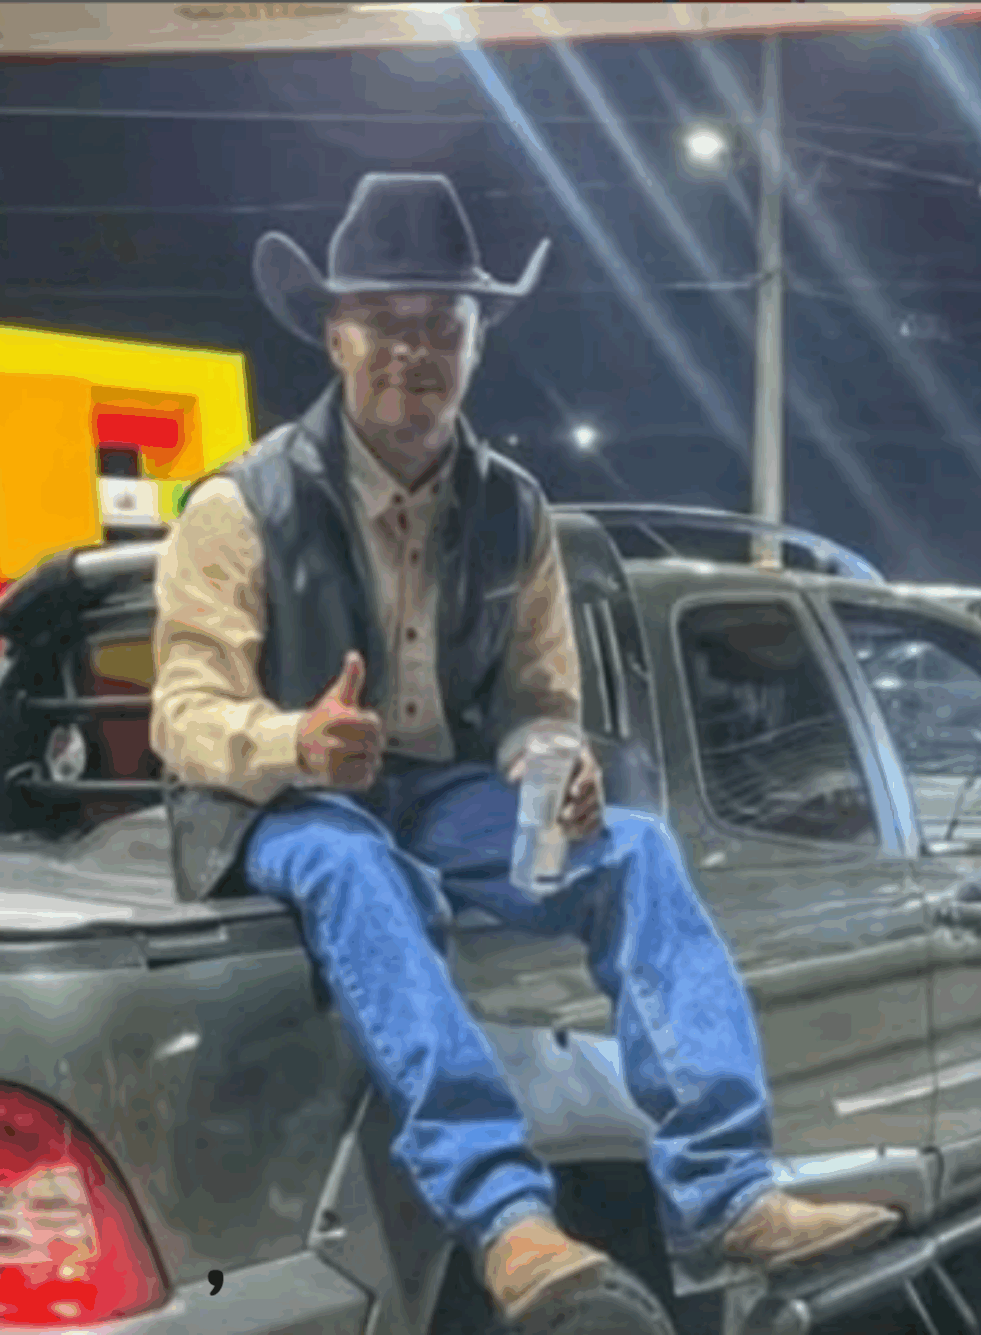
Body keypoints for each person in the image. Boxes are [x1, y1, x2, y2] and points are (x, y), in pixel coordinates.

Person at [150, 172, 898, 1333]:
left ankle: (726, 1189)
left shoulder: (517, 510)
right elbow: (182, 711)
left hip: (442, 793)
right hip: (280, 801)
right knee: (351, 862)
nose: (415, 349)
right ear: (336, 336)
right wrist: (296, 738)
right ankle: (505, 1219)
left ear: (477, 341)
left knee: (634, 850)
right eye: (386, 322)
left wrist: (558, 759)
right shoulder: (240, 506)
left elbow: (540, 703)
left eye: (441, 324)